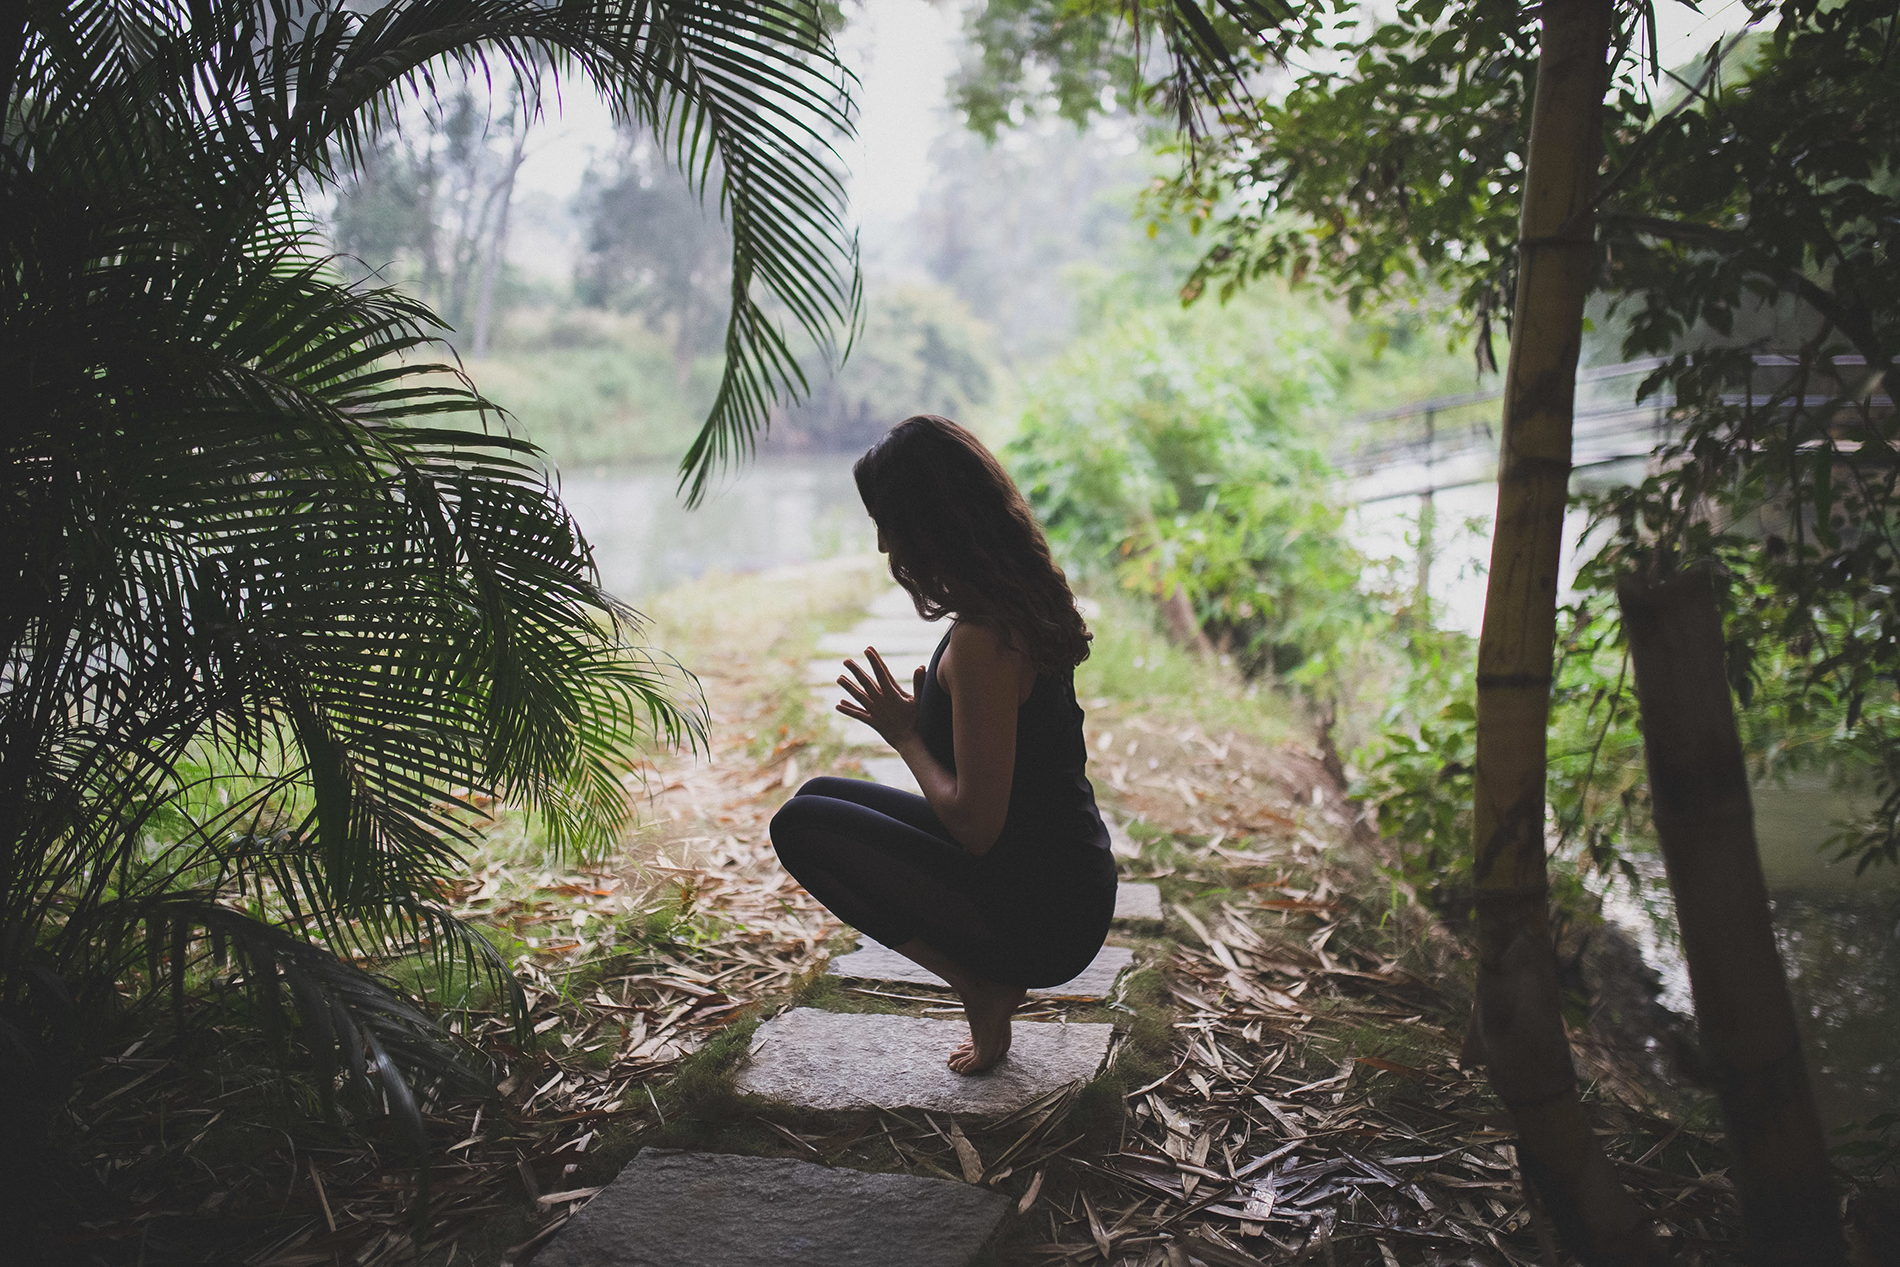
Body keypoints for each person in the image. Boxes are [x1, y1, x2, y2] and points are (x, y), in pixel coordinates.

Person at [769, 415, 1117, 1074]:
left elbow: (976, 826)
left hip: (1046, 912)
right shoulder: (1020, 597)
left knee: (800, 827)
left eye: (887, 523)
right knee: (816, 797)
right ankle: (983, 979)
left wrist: (906, 736)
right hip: (1066, 875)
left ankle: (980, 983)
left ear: (928, 525)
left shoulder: (983, 639)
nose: (882, 545)